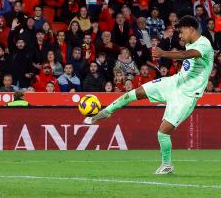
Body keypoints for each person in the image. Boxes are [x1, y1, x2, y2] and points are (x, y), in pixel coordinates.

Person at [85, 16, 213, 174]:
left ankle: (167, 165)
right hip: (174, 82)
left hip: (186, 95)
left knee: (163, 132)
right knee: (134, 93)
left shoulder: (204, 44)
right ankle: (105, 112)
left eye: (181, 31)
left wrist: (163, 53)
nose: (179, 35)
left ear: (191, 29)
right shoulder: (188, 42)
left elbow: (187, 55)